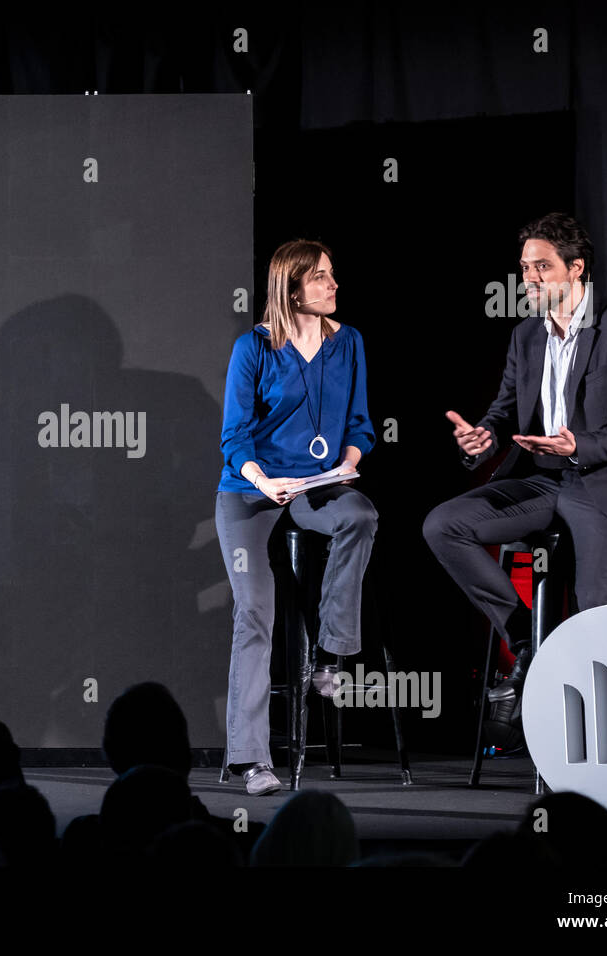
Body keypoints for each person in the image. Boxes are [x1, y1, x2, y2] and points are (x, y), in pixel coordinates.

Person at [423, 213, 607, 715]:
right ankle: (528, 648)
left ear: (576, 268)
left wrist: (577, 445)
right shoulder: (526, 336)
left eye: (542, 266)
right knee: (443, 525)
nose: (530, 278)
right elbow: (504, 410)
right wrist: (482, 438)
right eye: (524, 267)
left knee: (594, 604)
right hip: (542, 481)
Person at [216, 239, 378, 796]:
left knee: (361, 515)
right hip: (252, 490)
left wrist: (349, 463)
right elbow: (233, 437)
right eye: (321, 278)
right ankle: (253, 761)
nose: (334, 286)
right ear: (291, 290)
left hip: (317, 488)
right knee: (255, 615)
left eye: (332, 275)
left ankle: (331, 655)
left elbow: (359, 423)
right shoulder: (254, 347)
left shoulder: (349, 341)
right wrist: (265, 480)